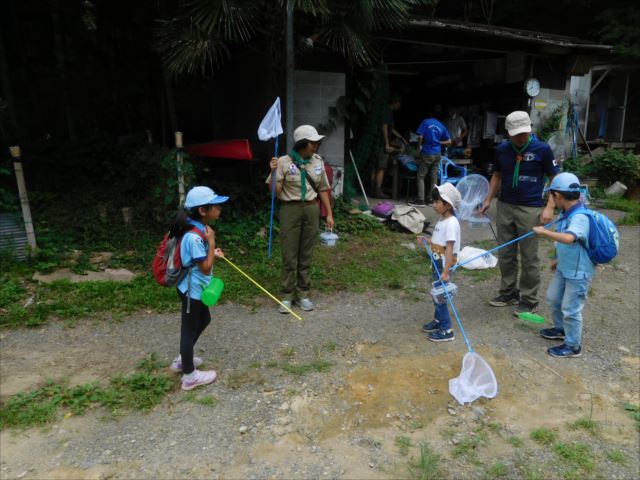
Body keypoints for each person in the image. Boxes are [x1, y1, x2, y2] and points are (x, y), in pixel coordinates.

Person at [480, 111, 558, 316]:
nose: (521, 137)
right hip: (505, 205)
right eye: (516, 134)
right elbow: (497, 175)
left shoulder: (542, 149)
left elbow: (554, 178)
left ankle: (530, 299)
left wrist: (550, 206)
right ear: (508, 133)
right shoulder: (503, 150)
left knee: (529, 255)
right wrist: (488, 199)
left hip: (530, 208)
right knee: (505, 252)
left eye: (524, 132)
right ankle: (508, 292)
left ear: (529, 128)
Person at [267, 125, 334, 313]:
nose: (316, 145)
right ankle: (287, 296)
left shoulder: (318, 162)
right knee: (289, 255)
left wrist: (328, 213)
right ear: (303, 144)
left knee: (306, 254)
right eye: (313, 143)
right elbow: (275, 193)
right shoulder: (282, 162)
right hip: (290, 209)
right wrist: (273, 173)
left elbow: (322, 189)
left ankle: (303, 294)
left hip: (311, 209)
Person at [169, 186, 229, 391]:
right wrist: (211, 243)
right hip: (191, 291)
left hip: (196, 289)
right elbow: (205, 269)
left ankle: (183, 359)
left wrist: (212, 250)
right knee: (188, 330)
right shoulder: (195, 236)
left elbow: (200, 258)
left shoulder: (195, 227)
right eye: (216, 205)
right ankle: (189, 376)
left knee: (204, 319)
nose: (219, 208)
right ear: (203, 210)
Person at [532, 172, 593, 358]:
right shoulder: (566, 214)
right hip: (564, 266)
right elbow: (569, 242)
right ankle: (561, 329)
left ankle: (573, 346)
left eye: (551, 196)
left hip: (578, 271)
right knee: (553, 298)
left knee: (571, 308)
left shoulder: (580, 217)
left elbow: (569, 237)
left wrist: (544, 232)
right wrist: (557, 258)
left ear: (557, 196)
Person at [417, 183, 462, 342]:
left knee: (441, 297)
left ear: (448, 205)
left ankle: (446, 330)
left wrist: (445, 272)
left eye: (437, 202)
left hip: (444, 266)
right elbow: (439, 241)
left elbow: (449, 248)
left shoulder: (451, 223)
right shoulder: (443, 219)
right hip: (438, 264)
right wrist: (427, 241)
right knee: (437, 294)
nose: (433, 205)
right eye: (433, 201)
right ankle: (438, 320)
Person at [412, 109, 452, 207]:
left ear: (431, 114)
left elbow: (420, 137)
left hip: (427, 152)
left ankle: (421, 200)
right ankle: (430, 199)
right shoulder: (441, 125)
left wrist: (419, 147)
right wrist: (439, 142)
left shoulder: (426, 122)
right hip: (437, 154)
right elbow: (449, 141)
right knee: (433, 177)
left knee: (421, 176)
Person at [373, 93, 407, 198]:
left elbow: (391, 129)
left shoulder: (388, 112)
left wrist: (401, 137)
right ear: (395, 103)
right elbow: (384, 127)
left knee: (377, 167)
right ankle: (378, 191)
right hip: (382, 144)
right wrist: (387, 143)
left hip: (379, 143)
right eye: (399, 104)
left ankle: (374, 189)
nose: (399, 106)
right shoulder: (387, 111)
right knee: (381, 168)